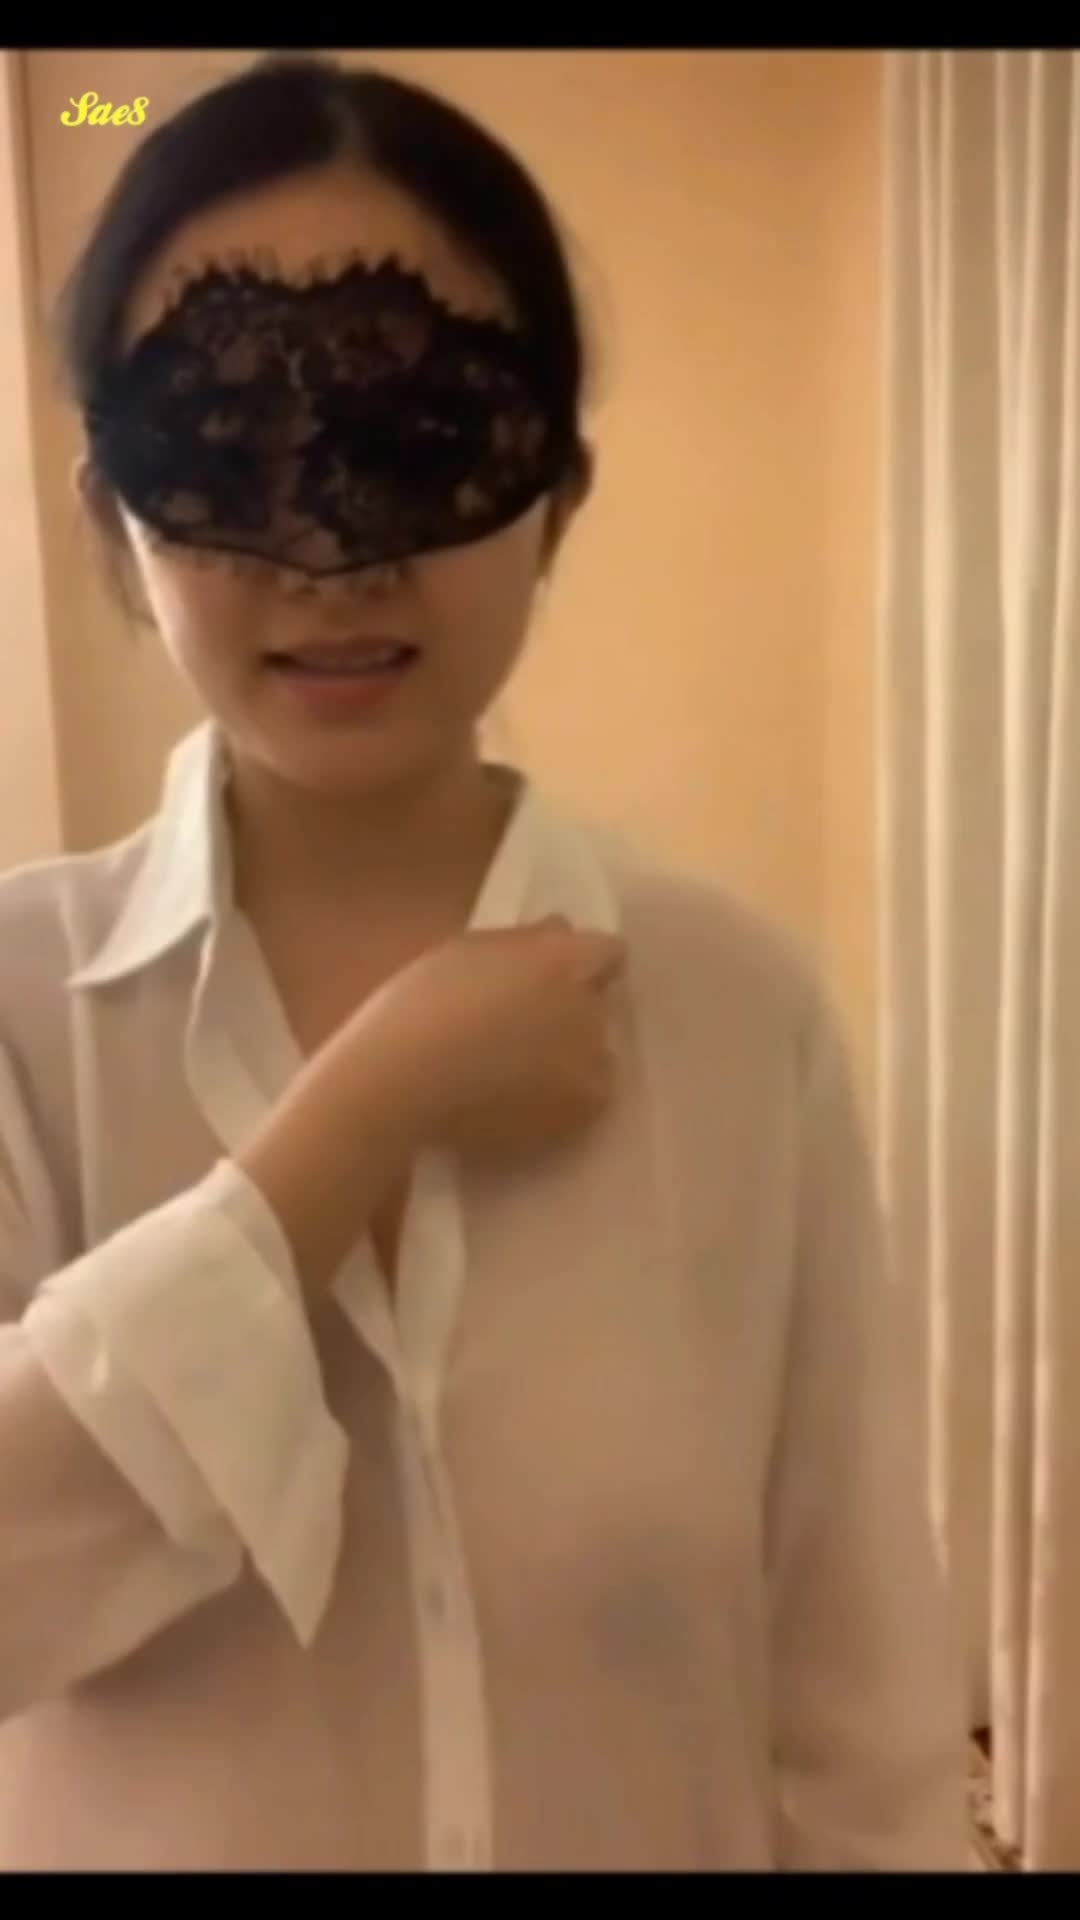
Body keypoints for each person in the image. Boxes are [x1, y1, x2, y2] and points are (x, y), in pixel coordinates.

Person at [0, 54, 967, 1871]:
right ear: (118, 510)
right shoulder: (18, 1011)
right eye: (227, 444)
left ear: (557, 491)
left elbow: (865, 1725)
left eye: (422, 440)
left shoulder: (741, 1019)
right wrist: (352, 1127)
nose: (331, 558)